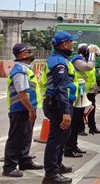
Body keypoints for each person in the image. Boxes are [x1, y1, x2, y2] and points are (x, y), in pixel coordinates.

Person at [42, 31, 79, 184]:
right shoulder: (59, 63)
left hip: (57, 103)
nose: (73, 45)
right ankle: (51, 174)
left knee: (62, 137)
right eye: (71, 42)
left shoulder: (60, 59)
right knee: (56, 139)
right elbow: (60, 88)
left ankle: (57, 166)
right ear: (64, 44)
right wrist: (66, 112)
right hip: (58, 105)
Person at [2, 43, 44, 177]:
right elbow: (21, 93)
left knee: (26, 136)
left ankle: (24, 160)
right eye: (29, 52)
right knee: (17, 138)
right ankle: (9, 167)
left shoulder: (25, 69)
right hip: (20, 109)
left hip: (25, 108)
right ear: (22, 55)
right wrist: (31, 110)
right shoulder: (20, 71)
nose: (32, 54)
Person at [64, 44, 100, 157]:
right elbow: (89, 67)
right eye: (94, 55)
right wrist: (92, 55)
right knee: (74, 124)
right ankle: (69, 149)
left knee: (77, 122)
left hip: (82, 93)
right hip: (75, 95)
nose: (95, 58)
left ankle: (74, 146)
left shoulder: (81, 59)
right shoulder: (77, 60)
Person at [79, 44, 100, 136]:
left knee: (92, 109)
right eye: (95, 55)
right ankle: (80, 129)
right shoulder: (82, 63)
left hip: (91, 91)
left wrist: (95, 87)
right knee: (81, 111)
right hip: (82, 90)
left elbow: (92, 77)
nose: (95, 58)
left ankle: (92, 127)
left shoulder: (91, 63)